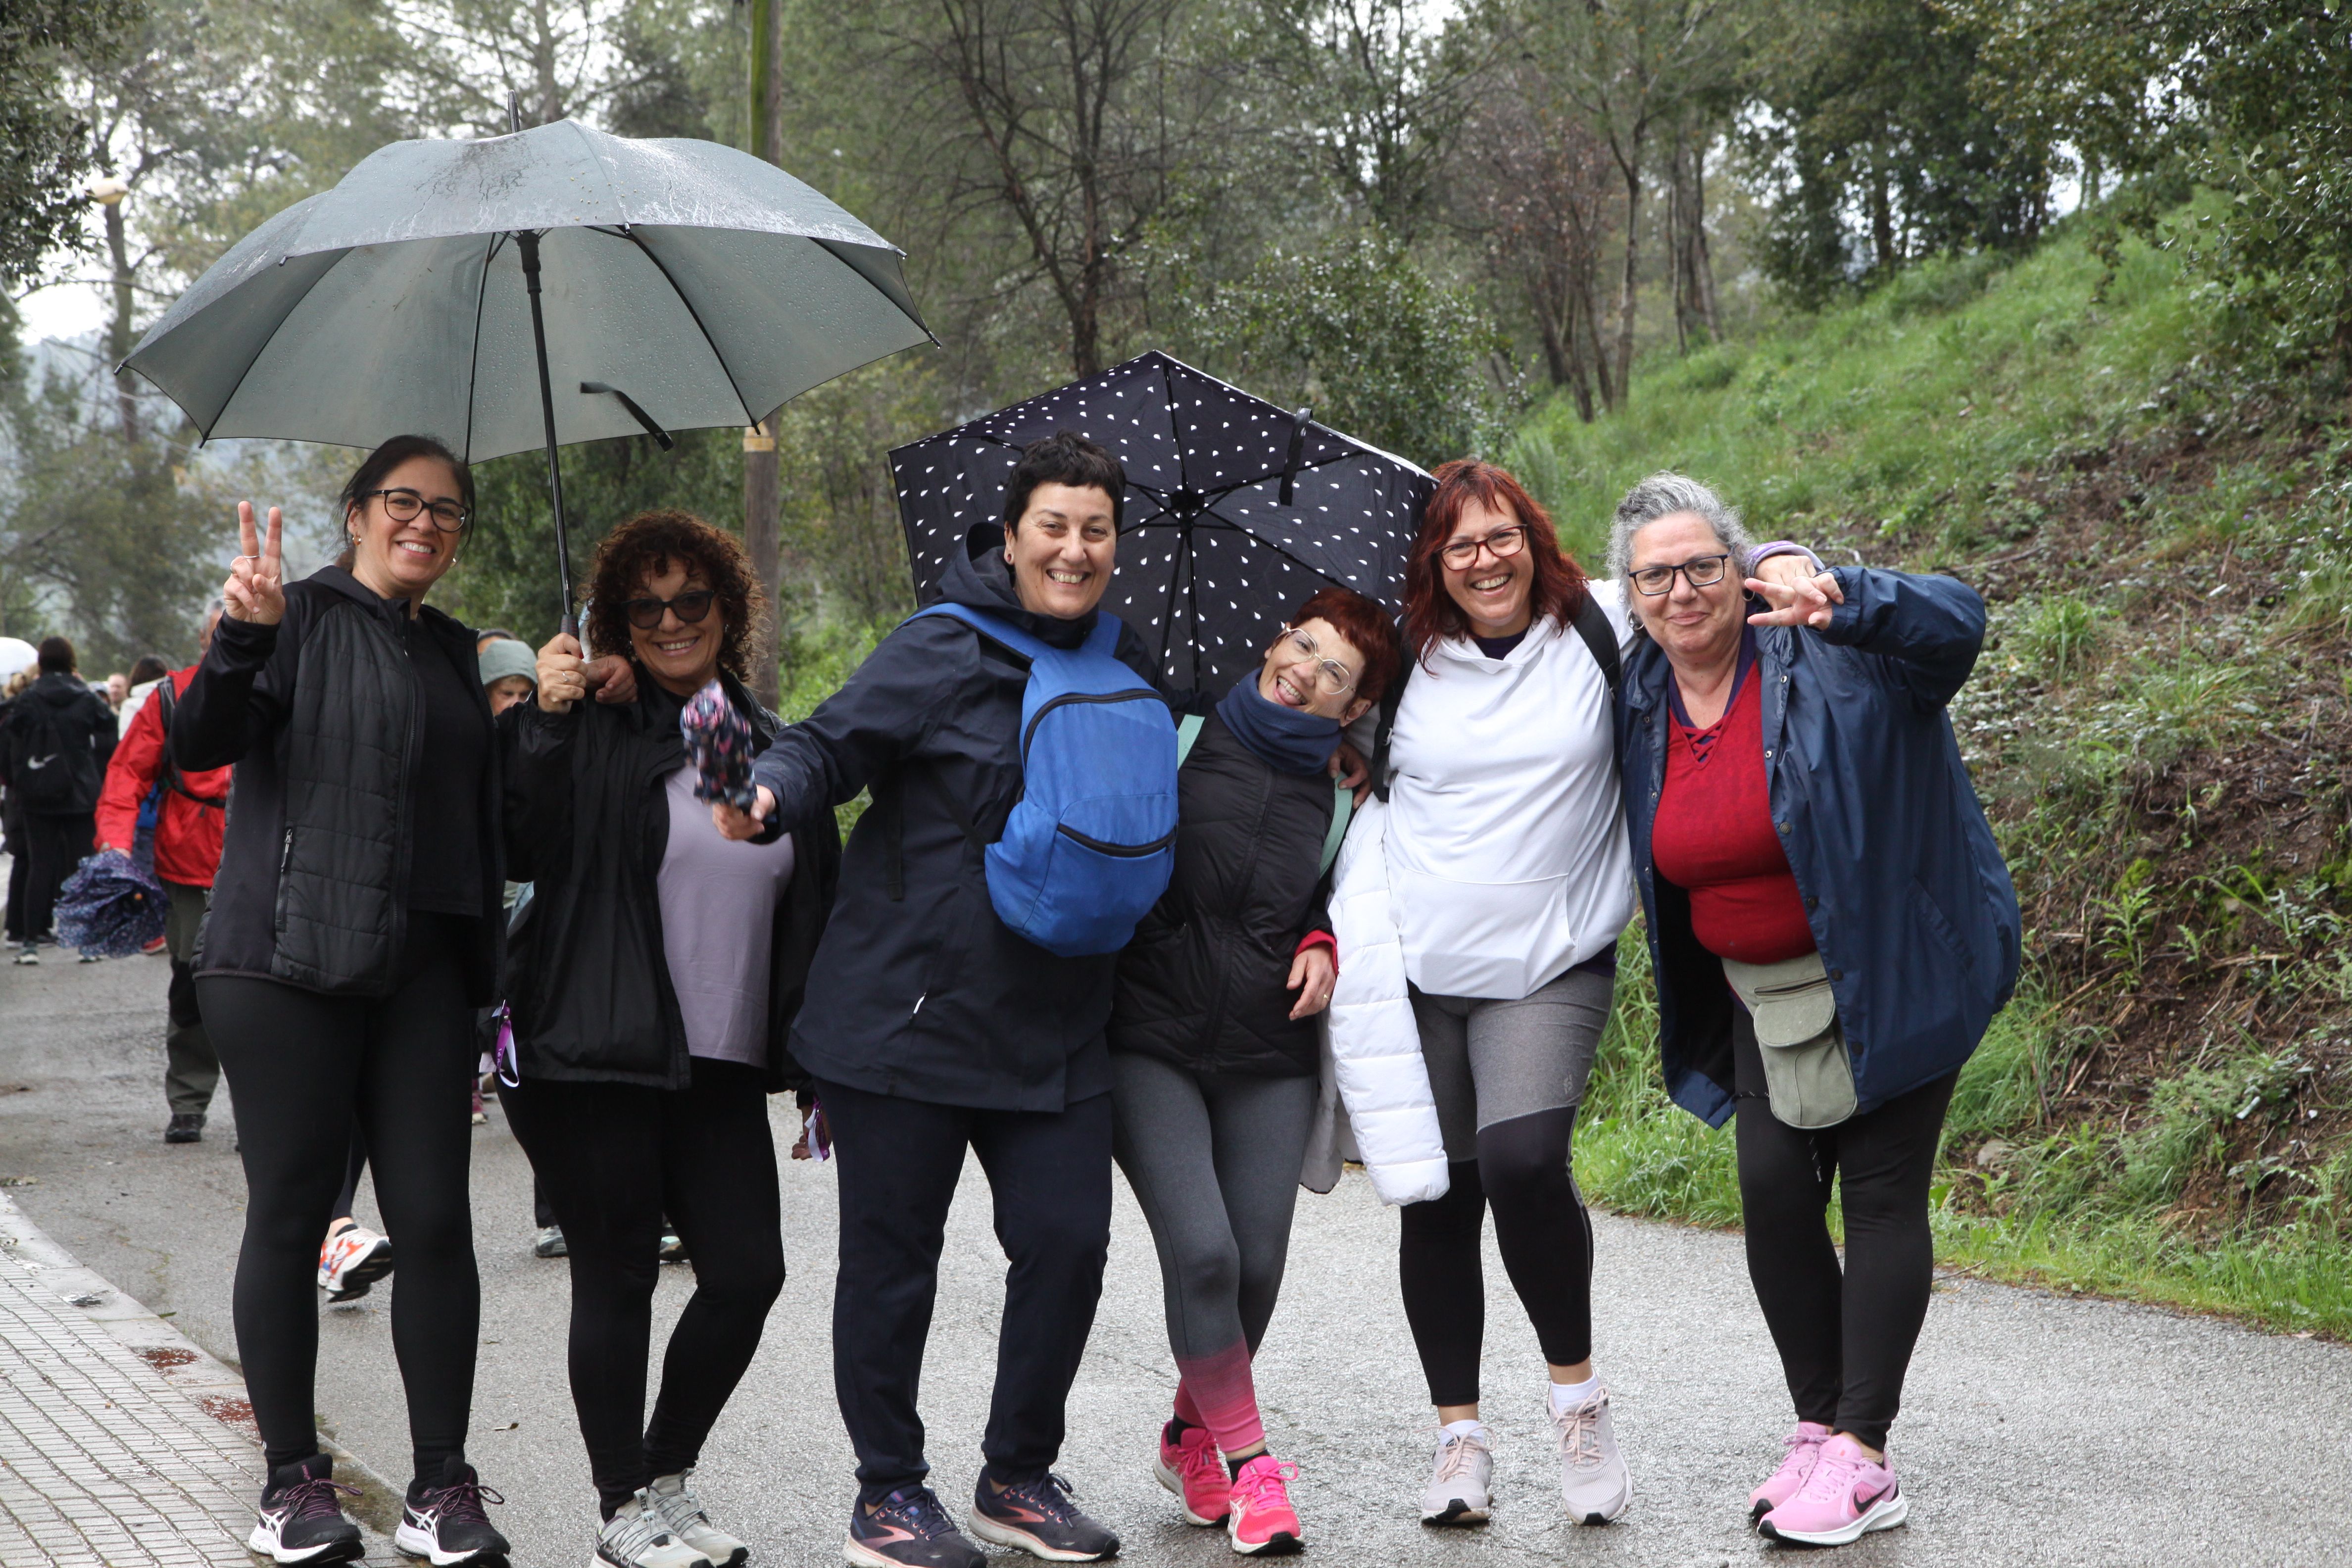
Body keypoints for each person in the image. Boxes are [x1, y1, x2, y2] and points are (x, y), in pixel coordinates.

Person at [1323, 461, 1829, 1531]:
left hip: (1552, 959)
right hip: (1419, 964)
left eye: (1502, 535)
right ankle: (1460, 1439)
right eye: (1460, 545)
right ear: (1434, 562)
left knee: (1521, 1161)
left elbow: (1690, 579)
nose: (1485, 559)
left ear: (1534, 538)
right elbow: (1325, 738)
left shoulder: (1603, 626)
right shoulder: (1407, 659)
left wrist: (1776, 558)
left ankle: (1578, 1401)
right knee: (1438, 1197)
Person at [171, 433, 632, 1567]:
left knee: (434, 1220)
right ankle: (291, 1482)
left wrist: (548, 722)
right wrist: (241, 635)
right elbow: (200, 744)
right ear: (356, 512)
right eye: (403, 501)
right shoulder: (299, 617)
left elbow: (509, 831)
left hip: (426, 967)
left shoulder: (455, 651)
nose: (425, 522)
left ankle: (440, 1487)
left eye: (447, 510)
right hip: (283, 960)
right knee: (291, 1213)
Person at [713, 432, 1164, 1568]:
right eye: (1052, 526)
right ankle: (888, 1492)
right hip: (905, 1013)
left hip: (1057, 1020)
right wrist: (767, 790)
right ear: (1009, 538)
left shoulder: (1125, 666)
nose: (1073, 548)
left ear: (1115, 543)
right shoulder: (939, 647)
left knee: (1066, 1243)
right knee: (891, 1261)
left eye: (1094, 528)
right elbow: (828, 745)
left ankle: (1016, 1471)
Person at [1609, 473, 2018, 1548]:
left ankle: (1866, 1456)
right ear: (1633, 594)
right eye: (1657, 575)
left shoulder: (1830, 645)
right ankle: (1817, 1428)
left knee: (1881, 1203)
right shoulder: (1637, 693)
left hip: (1893, 963)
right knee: (1775, 1197)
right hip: (1754, 990)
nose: (1682, 592)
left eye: (1704, 566)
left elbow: (1960, 626)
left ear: (1744, 572)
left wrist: (1844, 588)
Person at [500, 509, 840, 1568]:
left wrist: (817, 1049)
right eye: (643, 606)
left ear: (728, 610)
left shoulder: (759, 733)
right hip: (597, 1046)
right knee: (618, 1279)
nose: (670, 619)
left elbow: (806, 893)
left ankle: (664, 1474)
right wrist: (550, 718)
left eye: (691, 600)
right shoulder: (592, 725)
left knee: (747, 1274)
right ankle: (619, 1508)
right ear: (615, 621)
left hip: (721, 1059)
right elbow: (518, 833)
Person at [1111, 586, 1399, 1557]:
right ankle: (1253, 1470)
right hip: (1148, 1037)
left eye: (1336, 671)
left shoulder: (1345, 789)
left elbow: (1336, 893)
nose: (1306, 668)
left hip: (1267, 1051)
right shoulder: (1175, 730)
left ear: (1354, 708)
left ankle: (1192, 1437)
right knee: (1206, 1254)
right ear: (1275, 636)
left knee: (1260, 1264)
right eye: (1303, 643)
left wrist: (1322, 937)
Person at [93, 614, 231, 1141]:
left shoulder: (288, 684)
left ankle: (263, 1110)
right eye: (222, 627)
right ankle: (189, 1101)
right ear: (202, 639)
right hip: (189, 863)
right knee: (192, 986)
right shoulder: (172, 696)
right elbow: (127, 774)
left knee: (268, 993)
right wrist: (116, 848)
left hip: (266, 861)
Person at [0, 637, 117, 963]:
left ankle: (29, 944)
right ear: (71, 660)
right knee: (82, 866)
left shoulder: (28, 699)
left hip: (38, 794)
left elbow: (10, 734)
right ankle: (86, 940)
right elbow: (110, 724)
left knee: (40, 865)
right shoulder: (86, 696)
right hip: (80, 791)